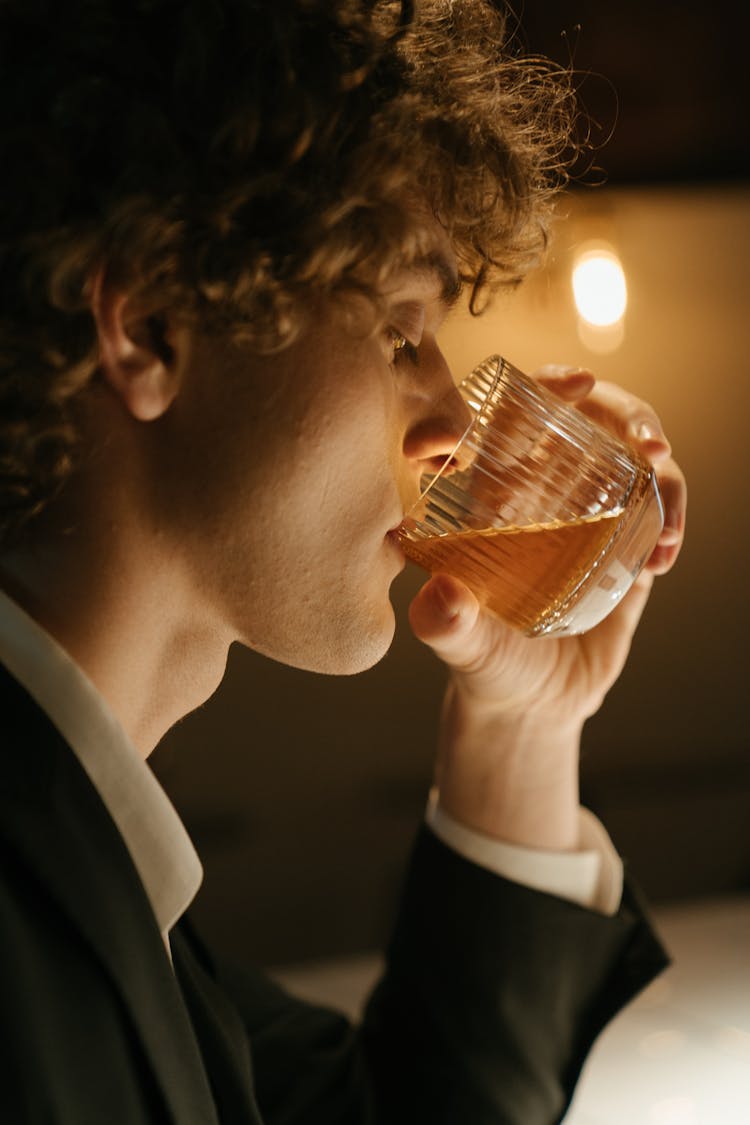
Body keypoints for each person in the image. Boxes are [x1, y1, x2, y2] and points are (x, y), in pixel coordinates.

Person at [0, 0, 686, 1122]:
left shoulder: (91, 860)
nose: (447, 421)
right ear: (151, 329)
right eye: (403, 329)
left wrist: (524, 723)